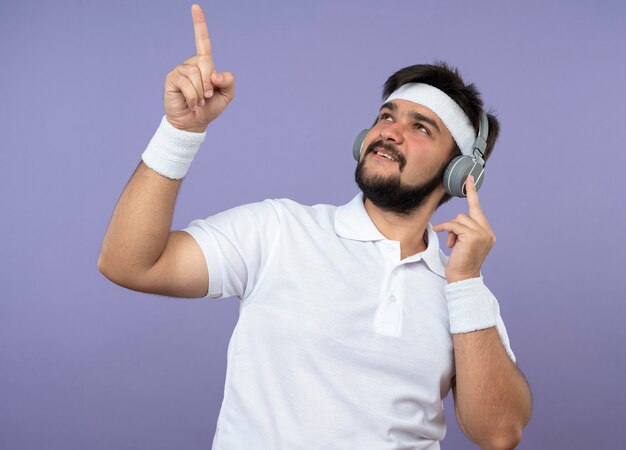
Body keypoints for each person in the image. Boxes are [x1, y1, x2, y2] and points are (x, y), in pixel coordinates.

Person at [98, 4, 532, 449]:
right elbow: (130, 264)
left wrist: (464, 282)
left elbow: (499, 433)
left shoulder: (465, 295)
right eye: (387, 116)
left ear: (460, 173)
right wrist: (180, 131)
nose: (390, 132)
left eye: (420, 127)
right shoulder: (278, 230)